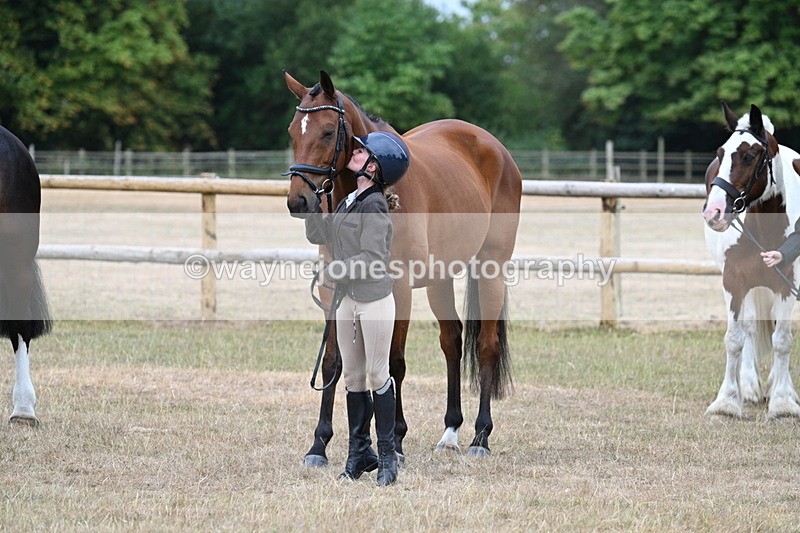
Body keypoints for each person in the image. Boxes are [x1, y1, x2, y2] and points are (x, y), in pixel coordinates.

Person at [304, 131, 410, 486]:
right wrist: (313, 204)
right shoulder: (350, 199)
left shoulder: (375, 205)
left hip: (373, 299)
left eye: (363, 151)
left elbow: (374, 260)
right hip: (347, 299)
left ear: (374, 166)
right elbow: (320, 236)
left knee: (379, 375)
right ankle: (358, 453)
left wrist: (335, 270)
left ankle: (386, 457)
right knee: (352, 377)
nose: (356, 151)